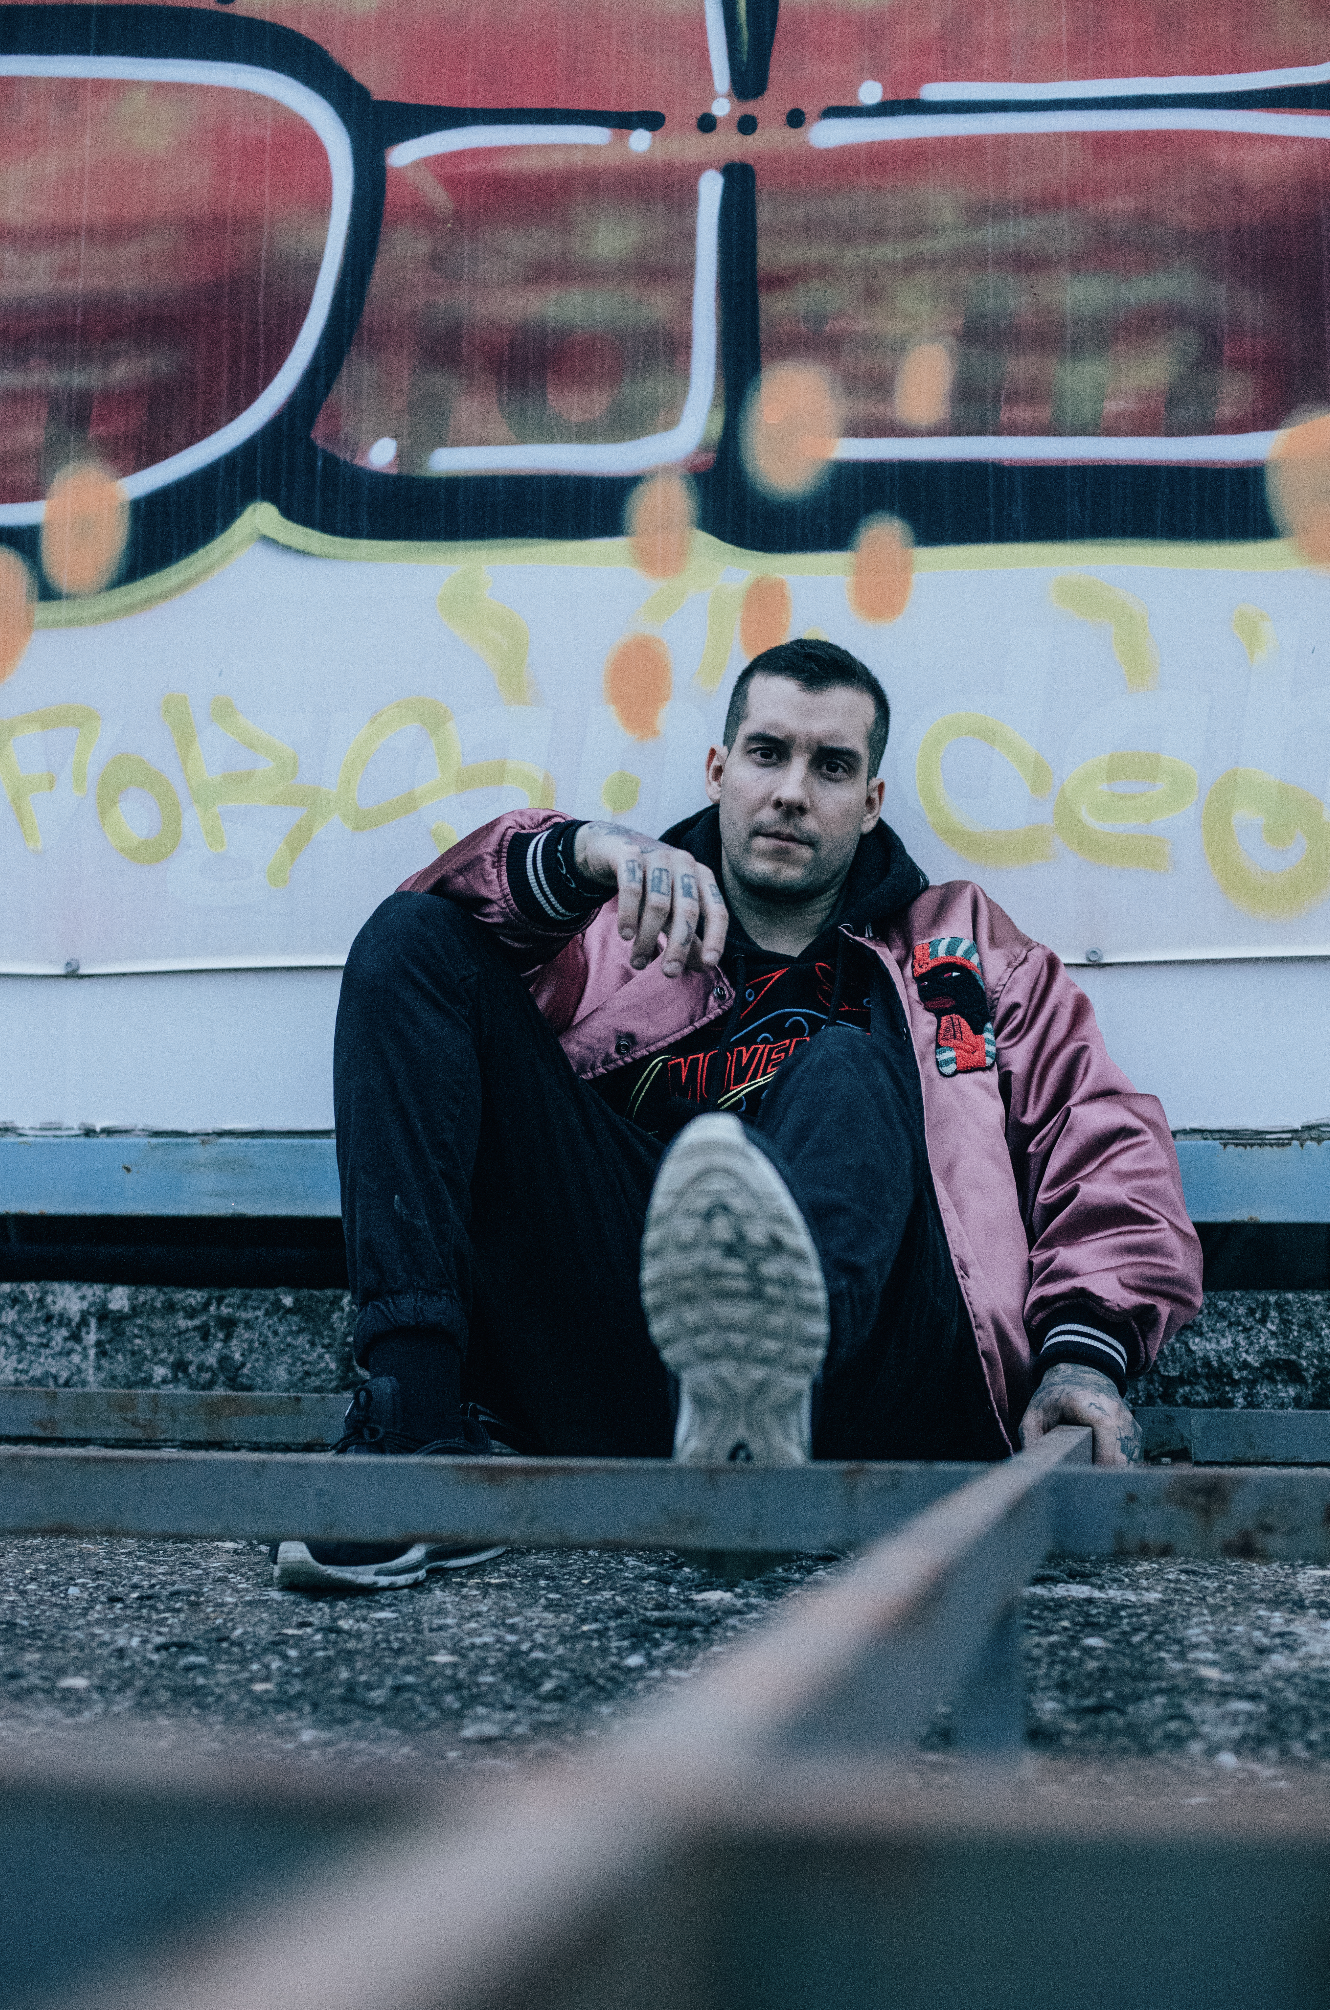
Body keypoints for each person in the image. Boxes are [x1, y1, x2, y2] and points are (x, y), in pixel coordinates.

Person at [274, 639, 1202, 1593]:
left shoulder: (959, 950)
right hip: (626, 1345)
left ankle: (767, 1403)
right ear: (718, 771)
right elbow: (429, 981)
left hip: (877, 1373)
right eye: (767, 753)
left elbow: (1103, 1142)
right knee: (410, 938)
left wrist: (1084, 1355)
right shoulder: (608, 930)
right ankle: (414, 1438)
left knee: (845, 1063)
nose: (792, 792)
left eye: (831, 766)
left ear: (871, 801)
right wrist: (583, 853)